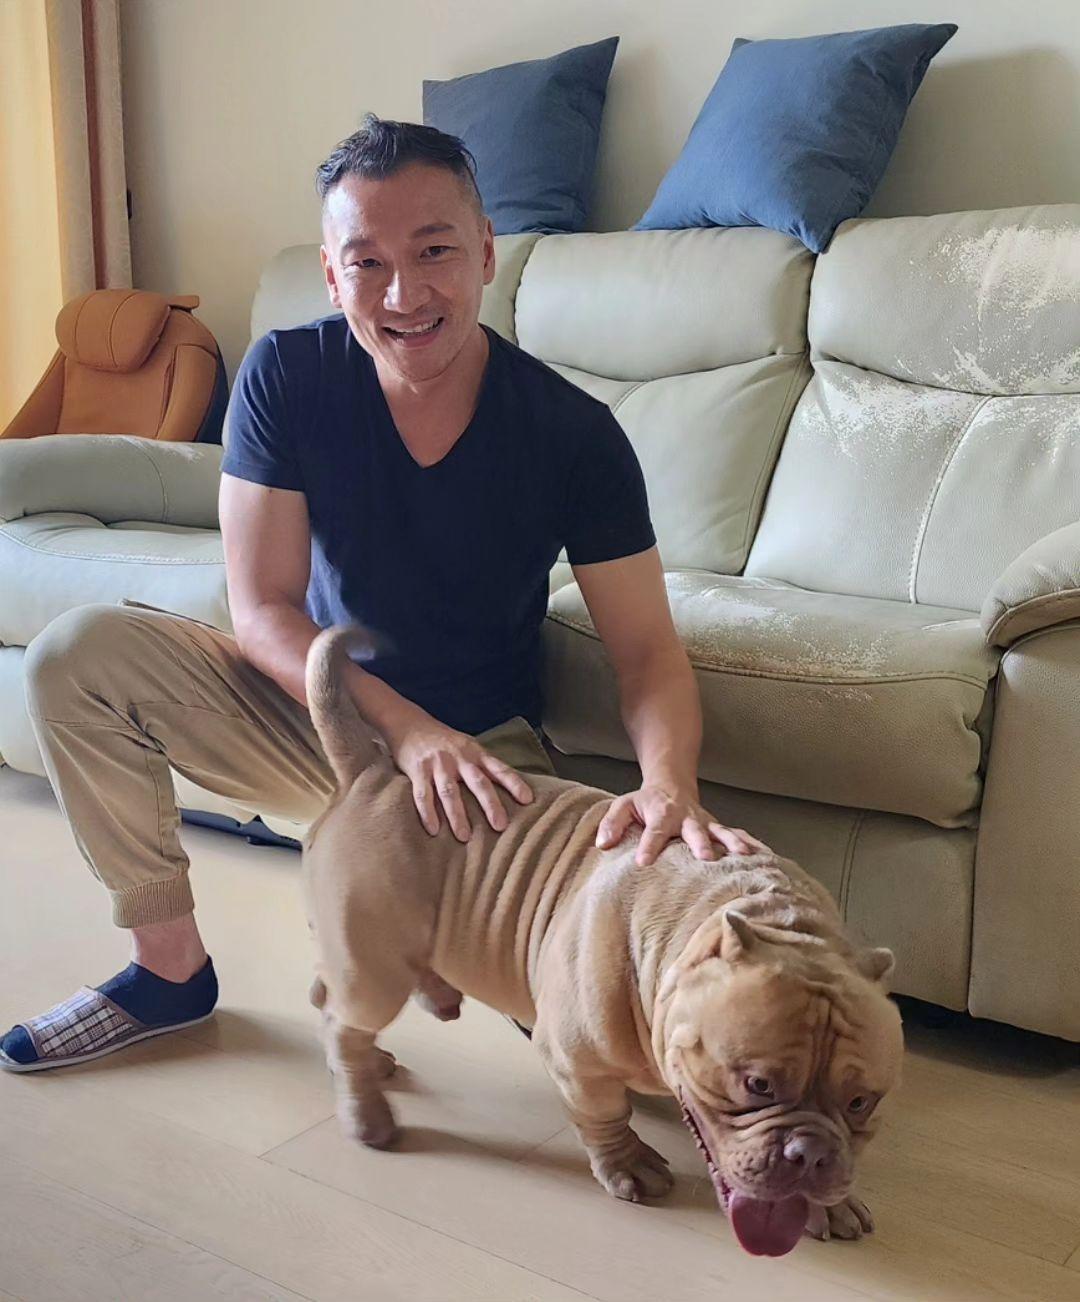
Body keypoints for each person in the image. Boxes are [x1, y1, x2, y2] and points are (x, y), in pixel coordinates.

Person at [0, 115, 755, 1073]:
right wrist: (404, 730)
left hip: (477, 765)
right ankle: (168, 973)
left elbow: (646, 653)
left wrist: (667, 787)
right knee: (76, 657)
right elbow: (263, 611)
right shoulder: (286, 375)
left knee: (615, 1051)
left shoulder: (574, 433)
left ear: (485, 253)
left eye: (435, 251)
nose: (404, 294)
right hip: (315, 718)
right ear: (331, 274)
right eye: (367, 263)